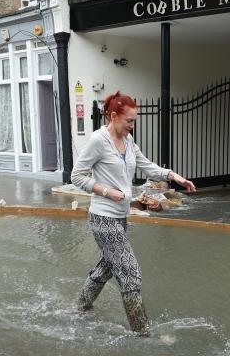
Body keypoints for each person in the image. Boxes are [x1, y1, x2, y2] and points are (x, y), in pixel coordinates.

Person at [71, 90, 196, 336]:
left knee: (107, 266)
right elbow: (76, 176)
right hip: (103, 218)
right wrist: (107, 191)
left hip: (119, 217)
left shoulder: (128, 143)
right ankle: (142, 331)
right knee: (130, 271)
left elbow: (146, 166)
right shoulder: (98, 140)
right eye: (129, 120)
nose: (132, 125)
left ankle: (81, 306)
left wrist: (174, 176)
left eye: (134, 121)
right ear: (114, 116)